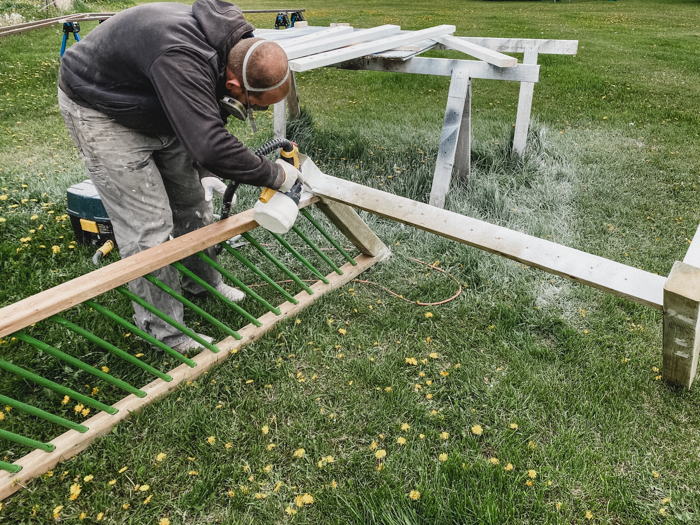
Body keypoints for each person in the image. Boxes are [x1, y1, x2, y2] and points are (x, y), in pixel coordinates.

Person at [57, 0, 301, 353]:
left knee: (192, 202)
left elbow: (202, 115)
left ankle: (204, 285)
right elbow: (211, 145)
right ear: (234, 81)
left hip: (156, 99)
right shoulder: (182, 59)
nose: (258, 111)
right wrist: (276, 176)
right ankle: (165, 333)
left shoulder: (232, 45)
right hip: (101, 108)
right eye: (258, 104)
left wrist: (202, 171)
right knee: (149, 228)